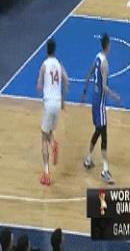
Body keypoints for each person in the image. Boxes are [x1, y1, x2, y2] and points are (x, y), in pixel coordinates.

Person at [82, 34, 120, 184]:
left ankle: (88, 159)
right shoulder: (105, 63)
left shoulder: (97, 58)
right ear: (108, 45)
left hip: (94, 100)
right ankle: (105, 170)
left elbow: (90, 72)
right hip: (100, 104)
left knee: (98, 131)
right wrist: (114, 96)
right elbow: (104, 86)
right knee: (103, 134)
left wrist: (85, 90)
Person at [36, 39, 68, 186]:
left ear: (46, 50)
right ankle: (53, 142)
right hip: (57, 103)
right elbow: (66, 80)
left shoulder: (44, 65)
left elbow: (39, 85)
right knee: (50, 131)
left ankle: (46, 173)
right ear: (54, 50)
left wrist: (41, 85)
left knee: (43, 137)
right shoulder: (59, 65)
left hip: (49, 103)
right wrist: (63, 101)